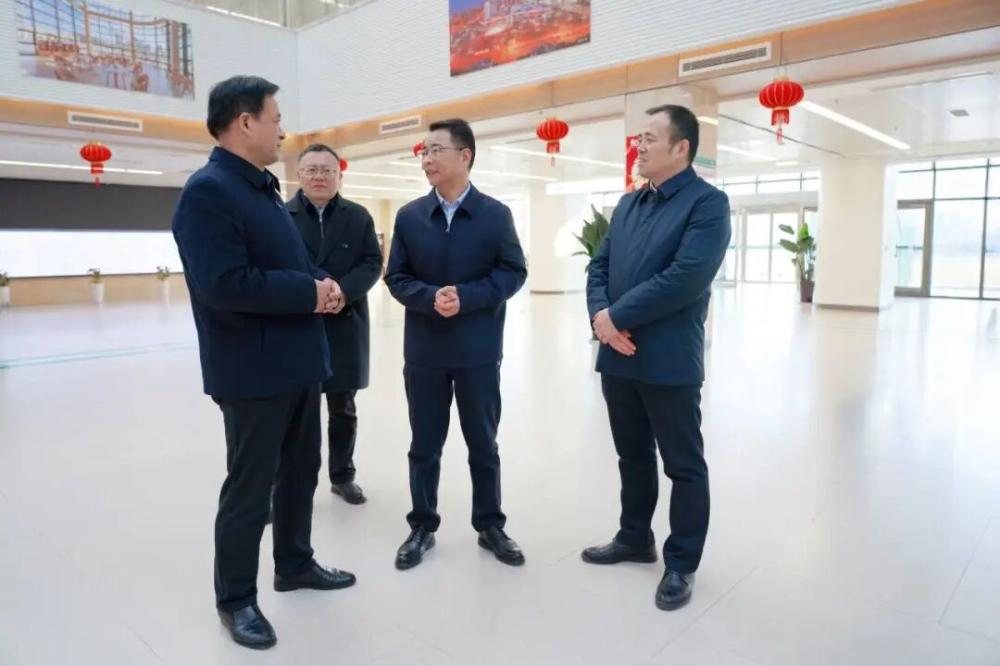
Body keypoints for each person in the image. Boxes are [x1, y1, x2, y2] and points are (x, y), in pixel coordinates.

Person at [172, 75, 356, 650]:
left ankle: (295, 564)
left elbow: (292, 262)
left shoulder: (262, 189)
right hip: (252, 371)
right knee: (251, 489)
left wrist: (324, 283)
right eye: (275, 118)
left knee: (300, 473)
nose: (282, 129)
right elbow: (225, 283)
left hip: (298, 362)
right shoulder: (208, 192)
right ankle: (235, 600)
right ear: (245, 121)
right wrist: (308, 293)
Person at [581, 104, 731, 611]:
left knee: (682, 464)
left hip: (668, 359)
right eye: (637, 139)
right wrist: (601, 317)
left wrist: (615, 317)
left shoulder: (707, 205)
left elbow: (685, 277)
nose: (638, 147)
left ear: (681, 148)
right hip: (617, 355)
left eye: (648, 138)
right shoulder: (629, 204)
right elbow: (598, 267)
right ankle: (634, 537)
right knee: (632, 455)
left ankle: (682, 562)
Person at [385, 118, 527, 570]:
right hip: (424, 352)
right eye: (423, 151)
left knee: (483, 443)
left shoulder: (495, 215)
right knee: (424, 444)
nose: (426, 159)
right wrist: (429, 297)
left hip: (477, 351)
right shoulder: (410, 217)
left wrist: (467, 297)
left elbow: (513, 271)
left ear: (465, 155)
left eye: (436, 150)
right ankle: (422, 525)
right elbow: (396, 276)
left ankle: (490, 524)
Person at [286, 143, 383, 505]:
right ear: (299, 175)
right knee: (297, 413)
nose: (319, 177)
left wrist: (343, 291)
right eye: (311, 170)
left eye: (327, 170)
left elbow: (372, 262)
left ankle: (342, 476)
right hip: (299, 323)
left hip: (345, 321)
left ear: (339, 175)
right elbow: (277, 263)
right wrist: (314, 291)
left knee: (343, 408)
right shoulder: (282, 216)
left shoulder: (358, 217)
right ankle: (291, 483)